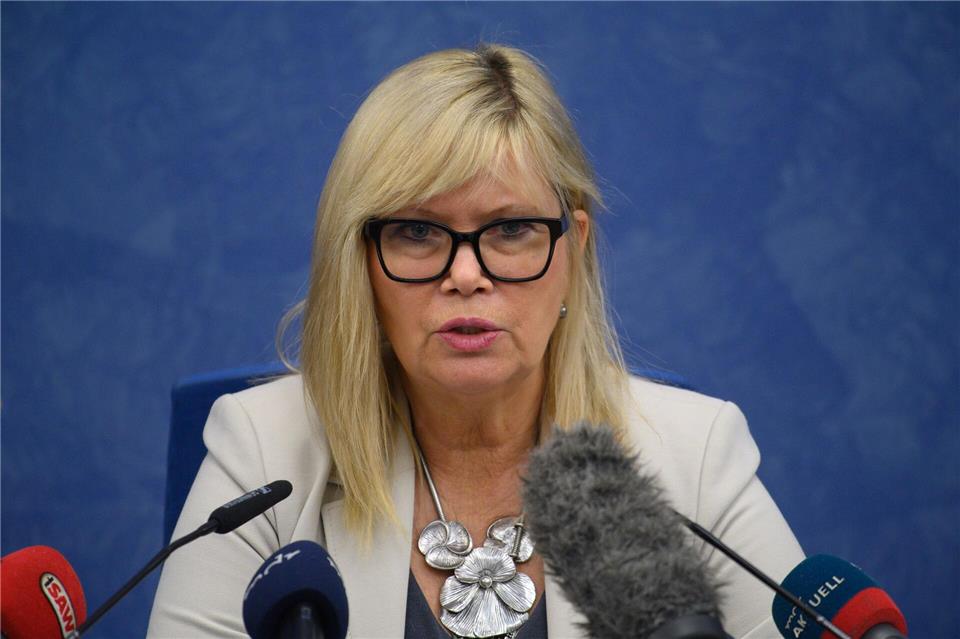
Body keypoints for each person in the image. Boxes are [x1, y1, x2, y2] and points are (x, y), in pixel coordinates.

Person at [147, 44, 804, 638]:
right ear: (362, 263)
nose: (467, 275)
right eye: (418, 232)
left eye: (511, 229)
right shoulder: (264, 451)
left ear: (573, 248)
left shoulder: (696, 458)